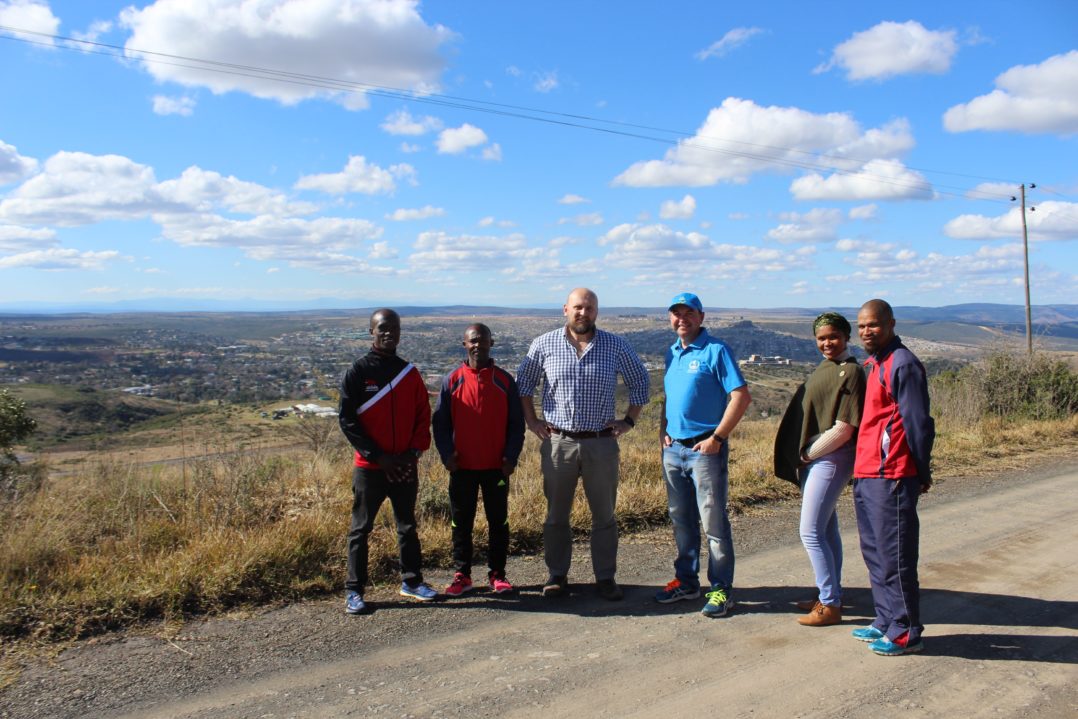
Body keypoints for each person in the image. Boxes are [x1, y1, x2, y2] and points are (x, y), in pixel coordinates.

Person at [516, 288, 649, 601]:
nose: (582, 313)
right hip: (558, 443)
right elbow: (524, 385)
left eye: (589, 308)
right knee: (555, 515)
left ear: (596, 312)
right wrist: (532, 422)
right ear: (565, 309)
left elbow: (640, 382)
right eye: (577, 307)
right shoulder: (544, 344)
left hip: (600, 444)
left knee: (604, 516)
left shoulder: (615, 345)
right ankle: (556, 576)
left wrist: (629, 421)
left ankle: (605, 577)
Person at [655, 292, 752, 618]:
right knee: (681, 521)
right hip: (674, 449)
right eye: (676, 313)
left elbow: (740, 396)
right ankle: (687, 582)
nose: (682, 319)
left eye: (688, 313)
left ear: (701, 317)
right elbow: (670, 397)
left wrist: (718, 438)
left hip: (704, 450)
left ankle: (721, 589)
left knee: (713, 523)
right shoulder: (672, 353)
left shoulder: (715, 350)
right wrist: (662, 431)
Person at [338, 308, 436, 614]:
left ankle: (412, 581)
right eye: (382, 328)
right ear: (371, 332)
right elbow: (347, 420)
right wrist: (378, 456)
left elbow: (423, 414)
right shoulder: (358, 372)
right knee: (360, 529)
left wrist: (414, 452)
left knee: (407, 526)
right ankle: (354, 590)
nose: (388, 333)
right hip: (370, 468)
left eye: (394, 328)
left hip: (405, 464)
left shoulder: (409, 372)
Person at [852, 299, 935, 656]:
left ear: (890, 324)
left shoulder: (902, 363)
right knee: (874, 553)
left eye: (873, 325)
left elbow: (918, 423)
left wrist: (920, 469)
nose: (867, 331)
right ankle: (885, 619)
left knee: (895, 556)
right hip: (868, 473)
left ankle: (905, 631)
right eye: (862, 326)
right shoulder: (876, 364)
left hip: (893, 475)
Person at [774, 312, 865, 627]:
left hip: (832, 457)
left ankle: (829, 604)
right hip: (821, 458)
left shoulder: (852, 372)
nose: (827, 343)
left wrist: (807, 454)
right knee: (826, 530)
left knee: (810, 531)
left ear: (846, 337)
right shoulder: (827, 369)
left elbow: (844, 428)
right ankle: (831, 594)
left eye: (833, 337)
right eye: (821, 338)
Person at [432, 323, 526, 597]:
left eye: (483, 341)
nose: (478, 345)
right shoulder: (452, 380)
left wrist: (511, 457)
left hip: (497, 466)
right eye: (473, 341)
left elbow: (516, 425)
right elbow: (440, 423)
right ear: (465, 344)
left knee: (499, 522)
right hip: (462, 467)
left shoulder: (505, 380)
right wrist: (446, 455)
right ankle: (463, 575)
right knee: (461, 524)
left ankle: (498, 574)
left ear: (490, 343)